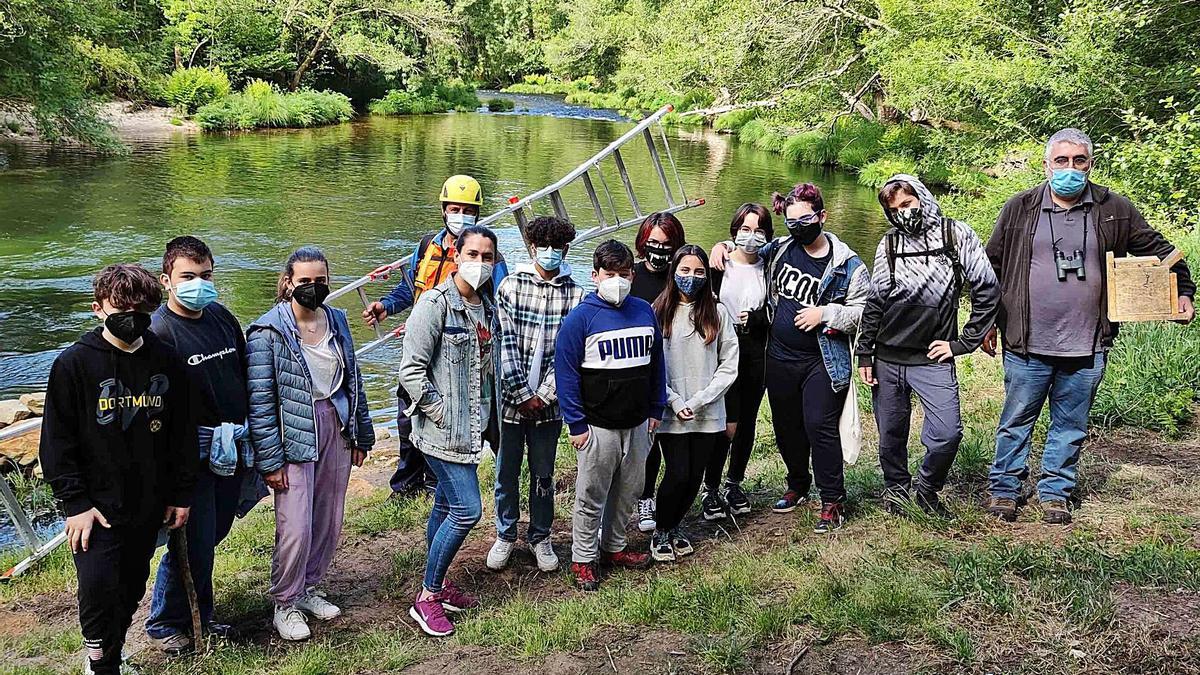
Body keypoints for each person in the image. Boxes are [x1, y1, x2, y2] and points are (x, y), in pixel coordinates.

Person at [982, 128, 1195, 525]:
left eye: (1078, 161)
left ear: (1090, 164)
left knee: (1070, 424)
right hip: (1025, 340)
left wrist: (1182, 288)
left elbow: (1162, 250)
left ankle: (1055, 491)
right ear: (1046, 165)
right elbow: (991, 268)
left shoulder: (1113, 207)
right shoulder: (1020, 207)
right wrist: (987, 322)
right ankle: (1005, 488)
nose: (1070, 169)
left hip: (1088, 341)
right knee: (1015, 421)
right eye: (1061, 161)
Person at [40, 264, 197, 675]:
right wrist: (75, 503)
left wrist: (181, 493)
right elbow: (56, 442)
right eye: (120, 308)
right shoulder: (73, 365)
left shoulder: (166, 360)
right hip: (96, 507)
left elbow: (182, 433)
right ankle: (100, 661)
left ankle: (113, 648)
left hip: (148, 500)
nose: (131, 317)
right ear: (97, 309)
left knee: (131, 585)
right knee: (97, 587)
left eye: (142, 309)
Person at [712, 186, 870, 532]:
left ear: (822, 217)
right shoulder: (781, 249)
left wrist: (827, 313)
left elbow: (864, 311)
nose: (798, 226)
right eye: (791, 220)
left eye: (806, 219)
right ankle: (798, 483)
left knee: (819, 425)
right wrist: (721, 246)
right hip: (778, 357)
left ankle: (832, 500)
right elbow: (745, 251)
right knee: (786, 428)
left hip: (821, 360)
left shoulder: (847, 264)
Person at [246, 247, 374, 641]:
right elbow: (260, 401)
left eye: (320, 281)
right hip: (292, 434)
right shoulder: (267, 331)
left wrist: (360, 431)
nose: (312, 288)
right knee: (295, 525)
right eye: (304, 281)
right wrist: (270, 459)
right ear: (288, 282)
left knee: (328, 519)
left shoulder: (335, 318)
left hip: (334, 424)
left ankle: (310, 587)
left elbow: (353, 377)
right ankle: (285, 601)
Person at [857, 175, 999, 519]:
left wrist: (964, 342)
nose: (903, 214)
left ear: (921, 197)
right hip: (887, 355)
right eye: (894, 210)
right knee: (890, 434)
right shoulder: (888, 244)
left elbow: (987, 288)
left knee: (947, 433)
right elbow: (875, 301)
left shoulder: (956, 234)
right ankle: (896, 490)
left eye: (907, 204)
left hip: (933, 358)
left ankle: (926, 488)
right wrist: (865, 351)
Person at [362, 175, 508, 498]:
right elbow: (409, 287)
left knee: (451, 417)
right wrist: (385, 306)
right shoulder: (427, 246)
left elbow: (501, 304)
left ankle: (439, 483)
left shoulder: (487, 258)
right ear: (444, 210)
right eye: (454, 208)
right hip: (423, 345)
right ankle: (406, 484)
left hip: (458, 352)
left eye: (467, 209)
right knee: (407, 416)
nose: (460, 215)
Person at [145, 236, 257, 653]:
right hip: (192, 454)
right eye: (188, 276)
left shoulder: (221, 318)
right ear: (167, 280)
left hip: (231, 447)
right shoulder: (159, 333)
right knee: (191, 540)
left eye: (206, 276)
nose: (199, 284)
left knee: (214, 532)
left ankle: (201, 613)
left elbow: (243, 371)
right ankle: (167, 623)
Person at [399, 225, 500, 637]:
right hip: (441, 432)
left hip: (473, 428)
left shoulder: (486, 306)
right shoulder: (434, 305)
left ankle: (438, 584)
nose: (479, 263)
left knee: (444, 506)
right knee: (467, 510)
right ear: (456, 255)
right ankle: (426, 597)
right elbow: (410, 370)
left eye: (487, 256)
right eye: (472, 254)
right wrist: (439, 411)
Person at [556, 239, 663, 590]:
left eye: (623, 274)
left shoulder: (644, 311)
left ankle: (614, 546)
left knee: (629, 491)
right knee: (591, 495)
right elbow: (566, 374)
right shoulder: (580, 319)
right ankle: (583, 558)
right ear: (595, 275)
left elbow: (657, 364)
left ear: (632, 275)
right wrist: (576, 424)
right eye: (609, 274)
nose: (616, 280)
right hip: (597, 426)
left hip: (637, 422)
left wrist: (655, 409)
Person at [488, 216, 584, 573]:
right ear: (531, 248)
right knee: (505, 472)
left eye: (555, 247)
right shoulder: (510, 287)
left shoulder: (576, 294)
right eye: (542, 246)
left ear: (565, 250)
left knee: (544, 473)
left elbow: (569, 352)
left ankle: (540, 536)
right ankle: (506, 533)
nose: (548, 253)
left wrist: (543, 395)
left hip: (550, 405)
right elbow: (505, 344)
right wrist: (520, 392)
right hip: (510, 402)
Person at [650, 245, 738, 562]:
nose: (691, 277)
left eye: (699, 271)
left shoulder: (718, 312)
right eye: (685, 270)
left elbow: (729, 365)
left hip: (707, 409)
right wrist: (674, 401)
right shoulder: (657, 312)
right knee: (677, 472)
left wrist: (700, 401)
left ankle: (677, 526)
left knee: (695, 475)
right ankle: (662, 528)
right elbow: (651, 365)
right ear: (674, 272)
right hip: (670, 410)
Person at [701, 203, 772, 519]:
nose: (751, 236)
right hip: (722, 349)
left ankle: (734, 482)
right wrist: (720, 245)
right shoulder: (719, 264)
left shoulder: (770, 265)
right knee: (725, 423)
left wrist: (761, 318)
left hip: (756, 350)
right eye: (745, 229)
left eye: (758, 231)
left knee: (746, 422)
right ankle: (710, 487)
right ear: (734, 230)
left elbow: (778, 308)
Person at [630, 211, 686, 533]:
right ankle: (644, 497)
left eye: (667, 244)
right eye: (653, 243)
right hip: (641, 373)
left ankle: (670, 502)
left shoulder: (681, 275)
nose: (659, 250)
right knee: (647, 443)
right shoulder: (631, 276)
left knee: (671, 443)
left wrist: (723, 247)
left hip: (678, 369)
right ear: (643, 243)